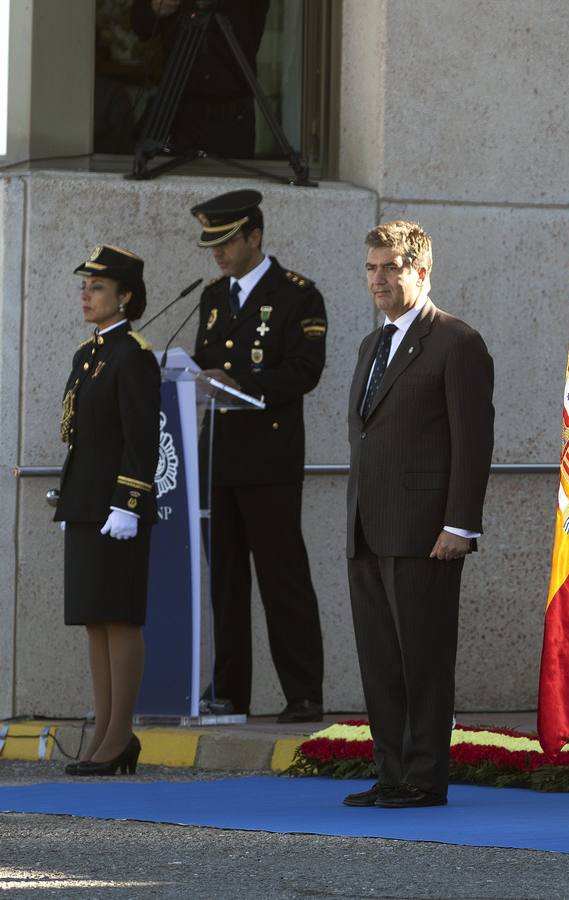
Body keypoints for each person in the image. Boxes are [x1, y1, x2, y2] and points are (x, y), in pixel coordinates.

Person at [342, 220, 494, 809]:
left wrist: (460, 523)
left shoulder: (457, 342)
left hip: (426, 531)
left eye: (391, 269)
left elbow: (472, 441)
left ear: (421, 272)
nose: (379, 280)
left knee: (423, 660)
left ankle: (425, 778)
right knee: (380, 658)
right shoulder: (371, 343)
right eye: (372, 268)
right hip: (368, 525)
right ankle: (392, 772)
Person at [190, 189, 327, 723]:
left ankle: (304, 693)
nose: (218, 254)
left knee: (281, 577)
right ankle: (230, 692)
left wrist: (241, 380)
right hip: (217, 460)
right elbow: (204, 363)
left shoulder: (297, 295)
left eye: (227, 243)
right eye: (213, 245)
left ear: (255, 237)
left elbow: (305, 370)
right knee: (225, 581)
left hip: (269, 460)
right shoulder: (212, 297)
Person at [55, 245, 161, 776]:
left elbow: (141, 439)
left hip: (118, 507)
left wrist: (130, 502)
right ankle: (104, 731)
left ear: (125, 296)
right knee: (94, 620)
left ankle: (120, 736)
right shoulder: (89, 353)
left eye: (98, 287)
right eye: (85, 286)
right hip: (85, 503)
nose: (87, 294)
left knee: (119, 618)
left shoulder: (133, 355)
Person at [131, 0, 270, 159]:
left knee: (233, 180)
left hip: (231, 109)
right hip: (177, 108)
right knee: (167, 178)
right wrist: (154, 8)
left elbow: (248, 34)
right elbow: (139, 24)